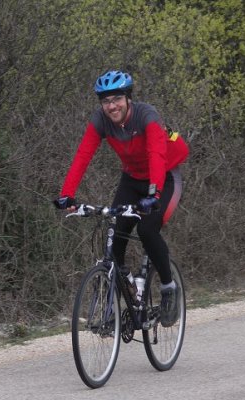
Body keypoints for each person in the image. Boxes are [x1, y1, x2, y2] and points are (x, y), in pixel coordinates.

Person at [54, 70, 189, 327]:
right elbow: (83, 155)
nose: (111, 106)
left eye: (116, 99)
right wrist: (67, 194)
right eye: (106, 101)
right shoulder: (101, 120)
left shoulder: (146, 116)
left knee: (147, 230)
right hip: (132, 178)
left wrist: (154, 194)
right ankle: (121, 296)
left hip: (165, 176)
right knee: (115, 235)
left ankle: (169, 287)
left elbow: (157, 155)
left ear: (128, 98)